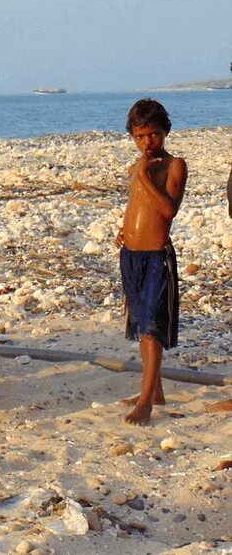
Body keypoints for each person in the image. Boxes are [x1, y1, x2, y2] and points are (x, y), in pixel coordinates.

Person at [115, 98, 187, 426]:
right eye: (140, 137)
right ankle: (154, 390)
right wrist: (124, 232)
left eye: (154, 135)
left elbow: (168, 210)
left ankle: (146, 402)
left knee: (153, 329)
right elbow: (136, 207)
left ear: (165, 132)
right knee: (141, 323)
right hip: (131, 256)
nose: (148, 143)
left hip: (157, 258)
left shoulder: (174, 166)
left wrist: (145, 175)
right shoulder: (136, 168)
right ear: (132, 136)